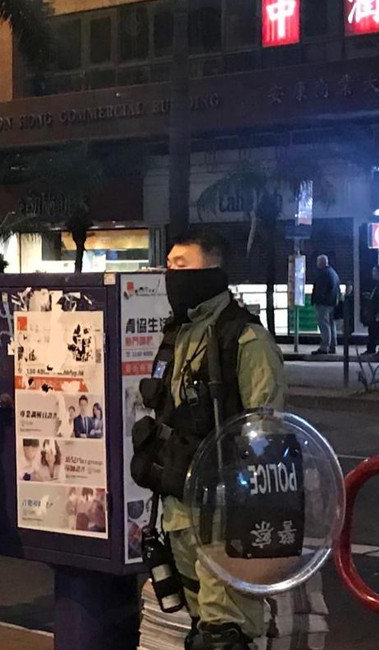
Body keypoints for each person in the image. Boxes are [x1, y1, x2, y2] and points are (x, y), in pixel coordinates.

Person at [130, 230, 285, 649]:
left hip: (224, 515)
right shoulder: (180, 333)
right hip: (179, 508)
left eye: (181, 265)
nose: (170, 273)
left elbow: (266, 432)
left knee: (224, 633)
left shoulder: (245, 338)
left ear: (211, 269)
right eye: (168, 264)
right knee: (201, 623)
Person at [311, 254, 340, 355]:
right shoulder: (333, 273)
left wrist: (317, 300)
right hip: (332, 303)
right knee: (331, 324)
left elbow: (320, 290)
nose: (317, 264)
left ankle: (324, 347)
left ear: (322, 262)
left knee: (324, 324)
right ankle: (332, 346)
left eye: (318, 262)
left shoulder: (323, 274)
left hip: (323, 303)